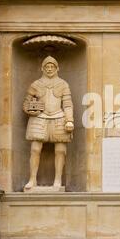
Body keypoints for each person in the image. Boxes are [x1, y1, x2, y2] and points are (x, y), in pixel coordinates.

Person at [23, 56, 74, 191]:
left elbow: (68, 104)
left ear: (57, 68)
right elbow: (26, 103)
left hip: (59, 117)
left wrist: (69, 120)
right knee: (35, 149)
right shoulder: (36, 84)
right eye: (47, 67)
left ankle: (57, 180)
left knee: (61, 150)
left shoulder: (63, 84)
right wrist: (31, 111)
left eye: (52, 66)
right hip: (39, 118)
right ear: (42, 68)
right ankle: (32, 179)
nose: (49, 69)